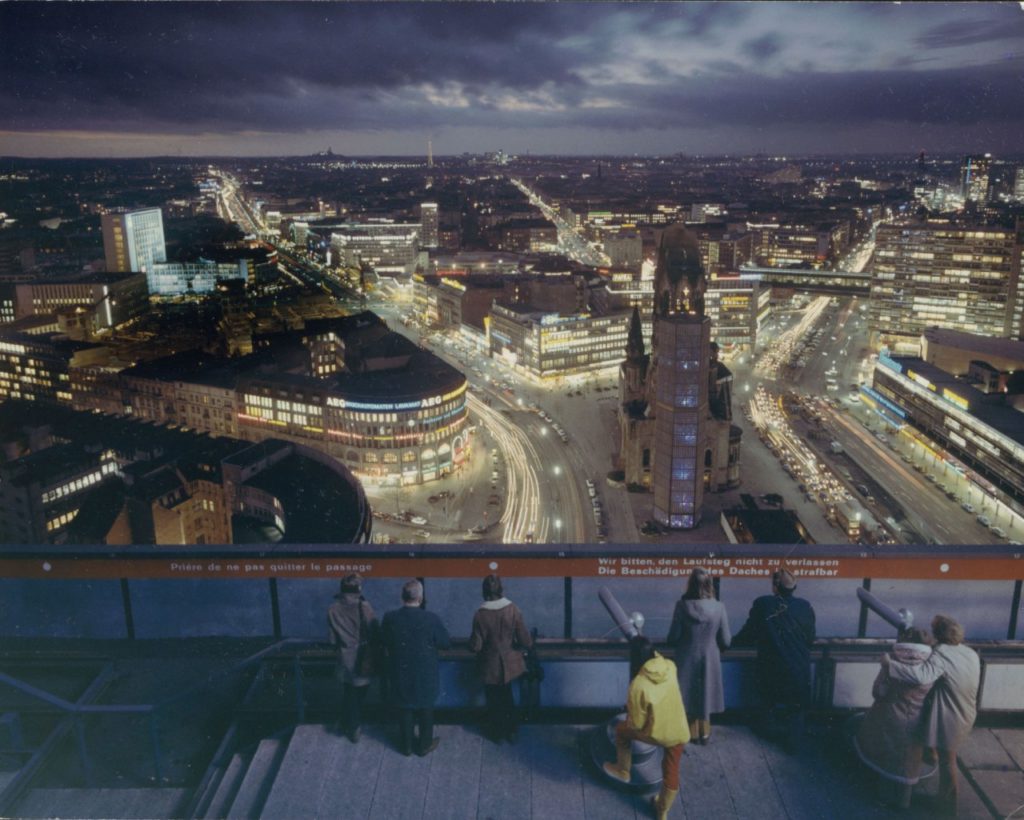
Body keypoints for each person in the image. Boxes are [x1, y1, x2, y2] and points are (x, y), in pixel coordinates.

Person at [884, 614, 980, 816]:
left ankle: (948, 809)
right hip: (967, 711)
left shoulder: (941, 654)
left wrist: (890, 665)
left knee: (949, 762)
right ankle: (937, 777)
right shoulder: (970, 652)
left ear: (938, 635)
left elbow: (921, 676)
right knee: (945, 755)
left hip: (951, 716)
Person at [603, 636, 690, 820]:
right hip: (679, 730)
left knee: (621, 731)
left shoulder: (638, 685)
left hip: (657, 734)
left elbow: (637, 724)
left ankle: (623, 770)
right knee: (671, 770)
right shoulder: (670, 666)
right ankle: (662, 810)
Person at [733, 568, 816, 749]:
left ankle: (769, 732)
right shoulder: (806, 606)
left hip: (771, 667)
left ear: (774, 586)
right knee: (796, 708)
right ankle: (793, 742)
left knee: (767, 700)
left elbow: (748, 634)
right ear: (794, 587)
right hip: (798, 667)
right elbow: (810, 638)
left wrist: (728, 643)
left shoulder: (763, 604)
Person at [854, 627, 935, 805]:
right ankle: (903, 803)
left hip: (890, 716)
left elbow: (878, 692)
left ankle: (883, 799)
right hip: (916, 719)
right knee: (908, 763)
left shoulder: (891, 662)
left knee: (886, 759)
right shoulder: (930, 665)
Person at [381, 579, 451, 757]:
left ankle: (406, 746)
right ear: (420, 598)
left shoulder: (390, 618)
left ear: (402, 596)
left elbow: (384, 641)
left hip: (400, 670)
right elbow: (445, 643)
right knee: (426, 706)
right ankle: (424, 745)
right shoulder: (431, 618)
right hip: (425, 671)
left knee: (404, 706)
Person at [667, 567, 731, 743]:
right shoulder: (719, 607)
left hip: (687, 656)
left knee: (688, 694)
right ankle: (705, 733)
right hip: (710, 657)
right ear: (710, 585)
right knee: (706, 693)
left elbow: (672, 637)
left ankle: (691, 732)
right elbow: (726, 640)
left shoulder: (682, 606)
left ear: (690, 585)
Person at [468, 574, 532, 744]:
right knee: (508, 696)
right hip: (511, 664)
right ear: (501, 590)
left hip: (490, 666)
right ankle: (511, 731)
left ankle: (497, 733)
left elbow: (476, 646)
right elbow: (526, 640)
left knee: (493, 699)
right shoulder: (513, 609)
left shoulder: (480, 615)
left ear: (484, 592)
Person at [326, 573, 378, 743]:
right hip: (364, 657)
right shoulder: (365, 607)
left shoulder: (332, 609)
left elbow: (332, 639)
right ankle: (353, 726)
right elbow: (375, 630)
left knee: (349, 691)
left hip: (344, 656)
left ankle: (346, 722)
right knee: (359, 693)